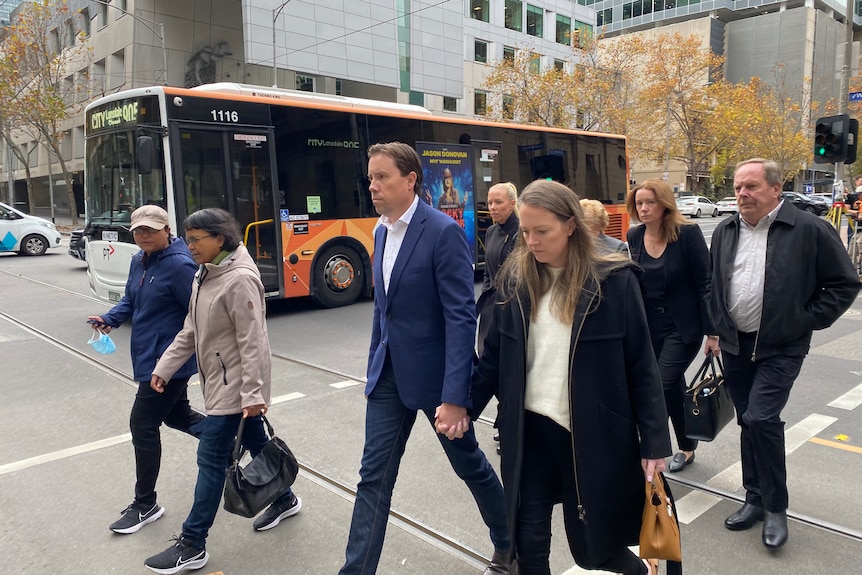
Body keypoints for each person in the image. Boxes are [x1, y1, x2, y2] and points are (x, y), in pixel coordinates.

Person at [472, 179, 671, 575]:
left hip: (586, 435)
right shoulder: (516, 280)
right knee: (528, 546)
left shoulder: (614, 282)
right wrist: (461, 406)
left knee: (595, 548)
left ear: (570, 225)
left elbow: (642, 366)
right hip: (527, 433)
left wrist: (654, 443)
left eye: (541, 231)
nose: (531, 241)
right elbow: (493, 356)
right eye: (526, 231)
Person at [339, 142, 512, 575]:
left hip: (437, 381)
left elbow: (459, 316)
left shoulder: (442, 231)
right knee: (372, 478)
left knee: (469, 464)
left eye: (382, 177)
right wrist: (372, 373)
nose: (373, 186)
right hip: (389, 378)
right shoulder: (380, 230)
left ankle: (510, 542)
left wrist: (455, 396)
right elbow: (384, 309)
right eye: (371, 177)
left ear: (410, 179)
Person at [708, 159, 860, 549]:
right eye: (739, 187)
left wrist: (804, 320)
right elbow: (714, 284)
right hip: (736, 344)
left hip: (781, 346)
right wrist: (718, 322)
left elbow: (844, 284)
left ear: (776, 189)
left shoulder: (809, 229)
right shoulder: (726, 230)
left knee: (762, 418)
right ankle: (754, 497)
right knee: (747, 420)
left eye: (752, 187)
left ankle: (776, 507)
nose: (742, 194)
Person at [144, 208, 301, 574]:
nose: (190, 245)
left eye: (196, 239)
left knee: (211, 460)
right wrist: (164, 368)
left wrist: (253, 395)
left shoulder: (239, 279)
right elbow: (191, 329)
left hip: (236, 388)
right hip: (220, 381)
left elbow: (254, 343)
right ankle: (285, 498)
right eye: (188, 238)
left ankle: (193, 543)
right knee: (259, 444)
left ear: (220, 238)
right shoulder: (206, 272)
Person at [88, 205, 204, 535]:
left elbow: (197, 313)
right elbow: (131, 301)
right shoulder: (138, 260)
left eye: (151, 230)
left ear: (167, 230)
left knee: (142, 424)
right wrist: (109, 319)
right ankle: (224, 440)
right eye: (139, 231)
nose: (144, 236)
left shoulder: (181, 265)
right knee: (178, 416)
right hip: (147, 356)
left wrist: (175, 359)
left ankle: (145, 503)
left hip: (167, 363)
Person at [625, 180, 714, 473]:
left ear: (664, 204)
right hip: (648, 325)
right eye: (639, 203)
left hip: (682, 326)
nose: (644, 208)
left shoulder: (687, 234)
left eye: (650, 202)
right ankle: (687, 447)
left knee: (658, 385)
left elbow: (706, 282)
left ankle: (651, 450)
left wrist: (713, 331)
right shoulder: (635, 235)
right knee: (673, 387)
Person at [477, 181, 520, 355]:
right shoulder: (491, 232)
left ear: (512, 203)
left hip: (511, 307)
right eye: (490, 203)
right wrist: (487, 299)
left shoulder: (522, 232)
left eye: (498, 202)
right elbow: (488, 271)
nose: (492, 207)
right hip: (491, 305)